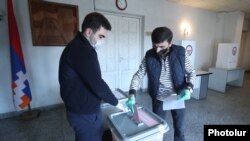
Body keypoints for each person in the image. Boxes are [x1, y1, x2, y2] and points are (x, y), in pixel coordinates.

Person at [58, 12, 119, 141]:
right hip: (84, 114)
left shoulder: (79, 46)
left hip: (80, 109)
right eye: (101, 36)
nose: (103, 40)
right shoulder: (81, 50)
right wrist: (116, 102)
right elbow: (97, 84)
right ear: (89, 31)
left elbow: (89, 78)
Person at [128, 26, 196, 141]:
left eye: (162, 47)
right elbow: (138, 75)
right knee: (157, 129)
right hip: (159, 98)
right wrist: (132, 94)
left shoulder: (181, 53)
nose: (157, 50)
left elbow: (191, 72)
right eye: (155, 46)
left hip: (178, 97)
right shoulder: (149, 55)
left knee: (179, 128)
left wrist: (189, 89)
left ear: (170, 43)